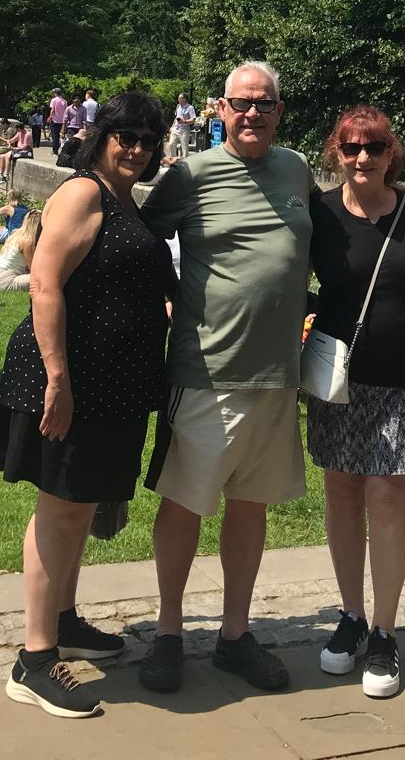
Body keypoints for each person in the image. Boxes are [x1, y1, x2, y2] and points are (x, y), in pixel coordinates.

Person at [0, 93, 172, 719]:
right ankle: (35, 660)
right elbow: (44, 284)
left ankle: (63, 620)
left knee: (81, 503)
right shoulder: (82, 193)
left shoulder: (123, 199)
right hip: (74, 379)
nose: (137, 149)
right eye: (126, 136)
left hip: (113, 383)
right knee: (61, 509)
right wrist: (58, 379)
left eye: (148, 139)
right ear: (101, 137)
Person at [138, 61, 313, 697]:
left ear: (279, 111)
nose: (252, 114)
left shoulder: (296, 170)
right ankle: (168, 631)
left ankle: (235, 634)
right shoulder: (190, 175)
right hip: (206, 370)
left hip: (277, 373)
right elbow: (139, 242)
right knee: (184, 502)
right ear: (220, 109)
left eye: (264, 104)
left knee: (250, 504)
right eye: (241, 103)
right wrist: (164, 299)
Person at [309, 107, 405, 700]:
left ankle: (385, 629)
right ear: (337, 152)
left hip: (403, 377)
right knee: (341, 490)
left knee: (387, 496)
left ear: (391, 154)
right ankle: (352, 615)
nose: (363, 157)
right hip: (338, 378)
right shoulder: (320, 213)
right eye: (352, 147)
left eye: (375, 147)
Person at [0, 210, 41, 292]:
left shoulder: (16, 235)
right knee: (44, 279)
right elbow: (33, 269)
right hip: (7, 280)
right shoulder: (27, 242)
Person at [171, 92, 197, 160]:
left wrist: (184, 121)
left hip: (184, 130)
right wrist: (172, 126)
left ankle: (185, 162)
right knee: (171, 144)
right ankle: (174, 160)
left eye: (180, 98)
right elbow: (176, 117)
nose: (178, 99)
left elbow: (193, 120)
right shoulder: (178, 106)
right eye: (178, 98)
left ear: (185, 99)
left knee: (184, 148)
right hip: (175, 129)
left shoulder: (190, 108)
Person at [48, 89, 68, 154]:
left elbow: (53, 110)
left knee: (55, 136)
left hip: (55, 120)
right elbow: (66, 111)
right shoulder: (64, 101)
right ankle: (63, 149)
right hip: (62, 121)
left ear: (55, 93)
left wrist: (50, 117)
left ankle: (55, 150)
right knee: (63, 135)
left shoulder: (53, 100)